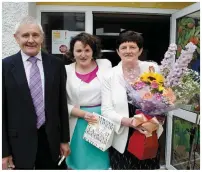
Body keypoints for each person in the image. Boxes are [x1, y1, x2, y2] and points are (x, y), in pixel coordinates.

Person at [2, 16, 70, 170]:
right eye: (25, 35)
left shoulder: (56, 65)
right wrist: (3, 151)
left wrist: (64, 140)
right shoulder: (5, 67)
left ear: (42, 37)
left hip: (50, 140)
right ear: (16, 38)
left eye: (35, 35)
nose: (30, 40)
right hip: (18, 143)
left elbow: (61, 105)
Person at [101, 30, 163, 169]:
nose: (128, 51)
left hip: (149, 131)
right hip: (123, 134)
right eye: (123, 47)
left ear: (140, 50)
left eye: (132, 47)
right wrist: (131, 122)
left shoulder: (152, 69)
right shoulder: (109, 76)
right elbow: (106, 110)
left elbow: (162, 99)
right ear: (118, 51)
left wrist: (157, 119)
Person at [65, 32, 112, 170]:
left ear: (93, 51)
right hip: (77, 121)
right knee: (80, 162)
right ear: (73, 52)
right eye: (79, 50)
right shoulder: (65, 70)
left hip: (101, 120)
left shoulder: (105, 65)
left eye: (87, 50)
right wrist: (83, 114)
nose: (83, 54)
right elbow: (60, 102)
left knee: (100, 161)